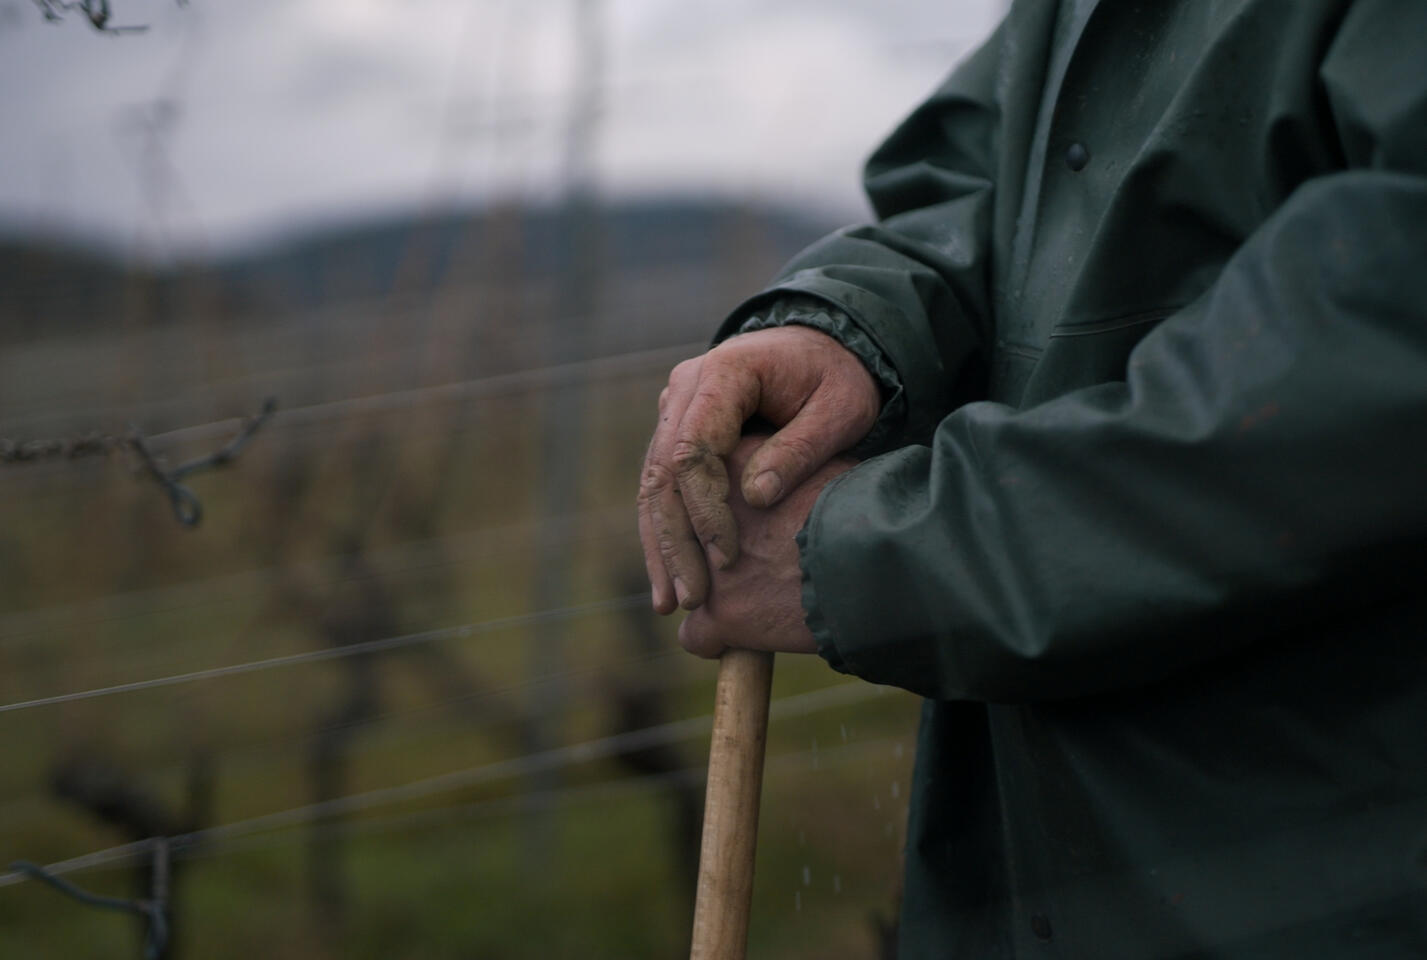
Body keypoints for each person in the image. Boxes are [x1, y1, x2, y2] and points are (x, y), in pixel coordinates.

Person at [638, 0, 1427, 956]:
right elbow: (994, 178)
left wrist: (860, 554)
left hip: (1320, 872)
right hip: (1046, 857)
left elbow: (1366, 378)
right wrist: (847, 328)